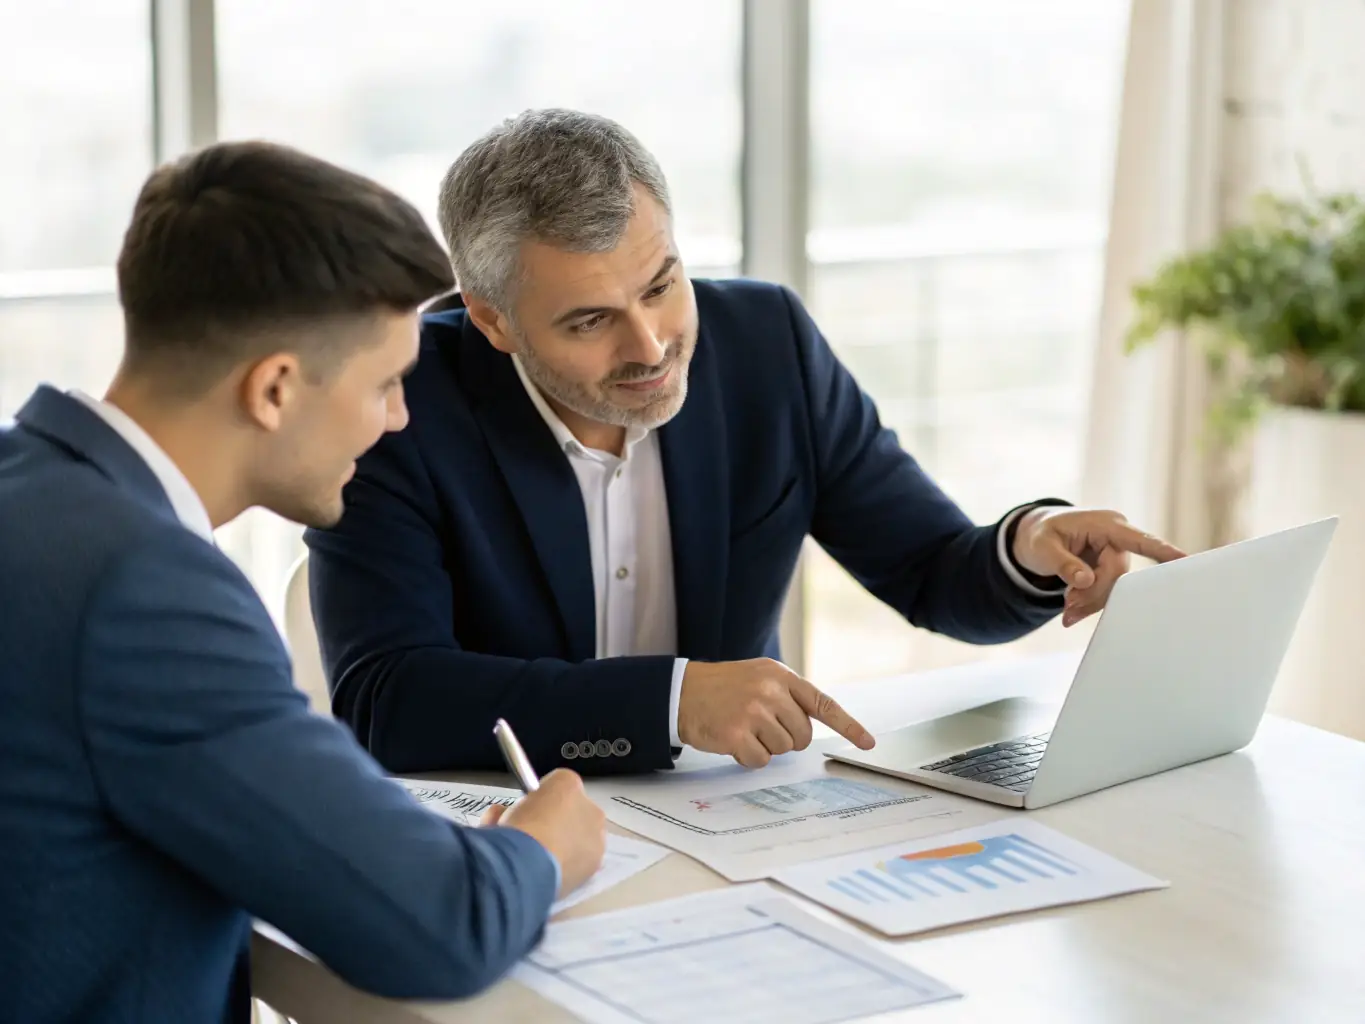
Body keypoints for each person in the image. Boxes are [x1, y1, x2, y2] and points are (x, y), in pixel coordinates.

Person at [305, 108, 1185, 779]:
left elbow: (929, 569)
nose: (650, 346)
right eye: (590, 321)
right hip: (506, 836)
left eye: (661, 286)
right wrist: (671, 702)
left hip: (733, 820)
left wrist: (1029, 546)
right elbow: (388, 700)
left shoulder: (766, 344)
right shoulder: (397, 405)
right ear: (491, 319)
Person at [0, 140, 606, 1024]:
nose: (398, 420)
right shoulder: (147, 593)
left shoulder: (27, 486)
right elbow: (441, 922)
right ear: (276, 389)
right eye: (387, 383)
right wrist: (545, 848)